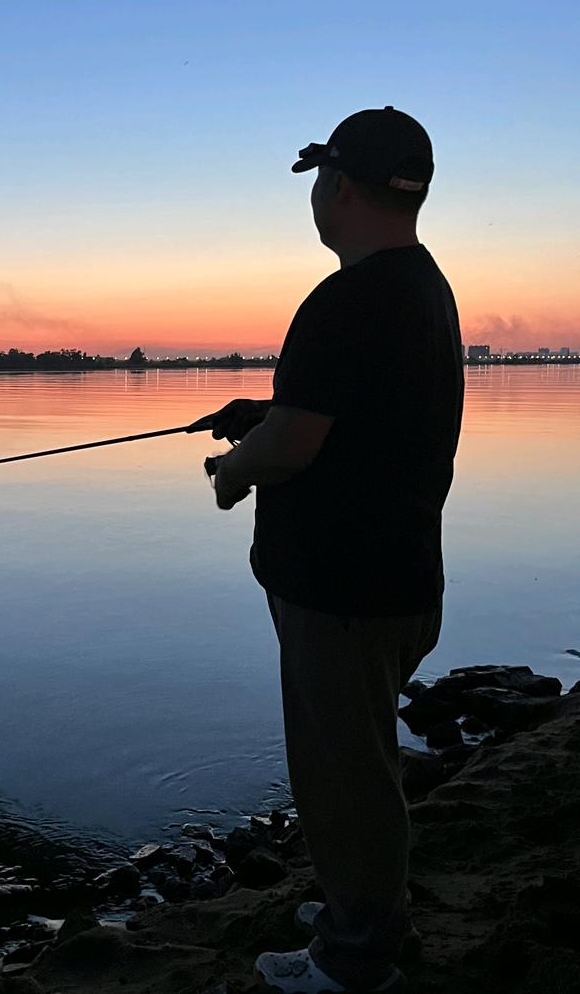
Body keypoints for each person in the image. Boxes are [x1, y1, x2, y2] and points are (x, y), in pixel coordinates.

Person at [206, 107, 464, 993]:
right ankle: (365, 907)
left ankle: (356, 960)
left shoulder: (345, 297)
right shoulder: (423, 286)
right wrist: (266, 418)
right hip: (398, 578)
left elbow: (293, 448)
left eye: (321, 178)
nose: (318, 194)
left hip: (339, 590)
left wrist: (236, 466)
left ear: (339, 186)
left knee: (343, 774)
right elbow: (356, 418)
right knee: (366, 759)